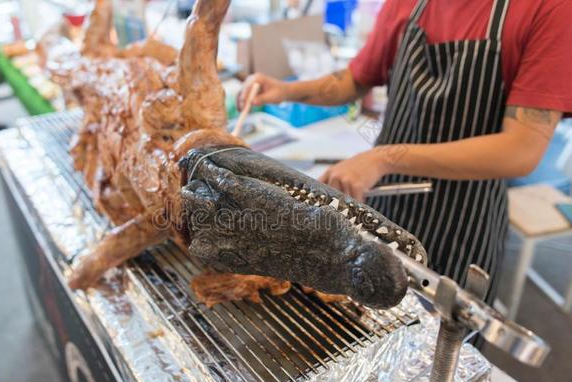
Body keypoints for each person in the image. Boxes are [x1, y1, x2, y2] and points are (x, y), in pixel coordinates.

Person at [238, 0, 572, 304]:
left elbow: (520, 150)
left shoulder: (548, 10)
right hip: (386, 205)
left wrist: (383, 158)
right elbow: (354, 80)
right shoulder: (409, 4)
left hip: (464, 221)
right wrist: (285, 90)